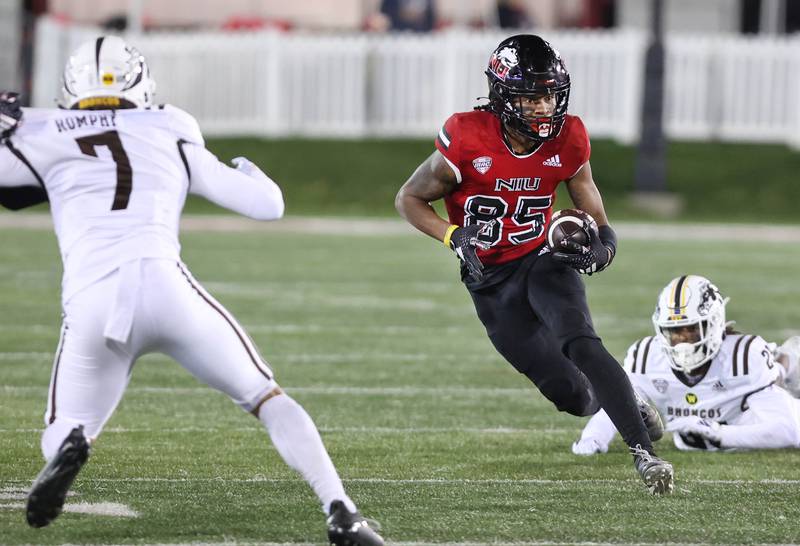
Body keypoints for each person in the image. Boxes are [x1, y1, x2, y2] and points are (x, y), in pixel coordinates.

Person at [0, 36, 383, 545]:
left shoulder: (40, 130)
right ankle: (341, 510)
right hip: (167, 289)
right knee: (267, 397)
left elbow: (10, 187)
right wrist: (250, 169)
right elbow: (267, 206)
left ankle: (70, 443)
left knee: (67, 422)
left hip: (93, 300)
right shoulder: (169, 124)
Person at [394, 34, 674, 494]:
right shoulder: (467, 137)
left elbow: (591, 202)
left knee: (581, 342)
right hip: (489, 280)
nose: (543, 107)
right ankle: (625, 399)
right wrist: (452, 234)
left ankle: (644, 454)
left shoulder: (568, 137)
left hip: (543, 258)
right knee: (570, 394)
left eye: (549, 94)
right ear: (503, 95)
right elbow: (408, 197)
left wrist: (604, 243)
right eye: (530, 96)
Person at [572, 275, 800, 454]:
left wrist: (721, 433)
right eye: (674, 331)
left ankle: (787, 360)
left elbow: (788, 430)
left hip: (766, 402)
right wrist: (593, 438)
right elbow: (619, 403)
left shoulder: (743, 358)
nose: (682, 340)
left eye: (691, 329)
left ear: (713, 324)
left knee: (784, 374)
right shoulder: (647, 357)